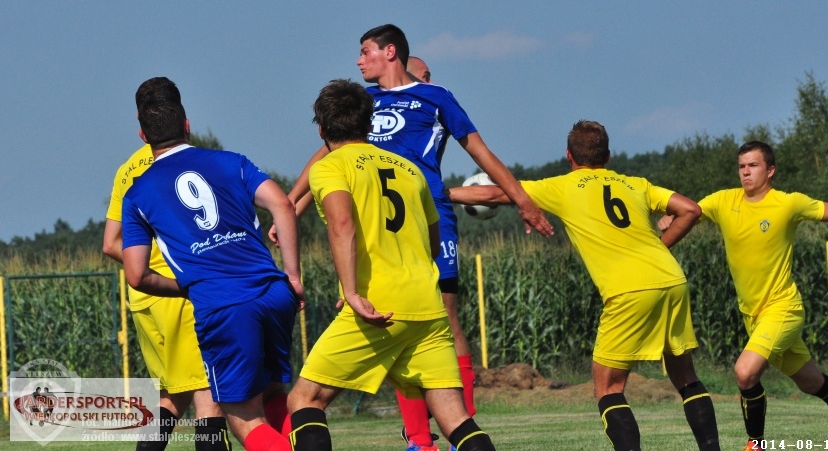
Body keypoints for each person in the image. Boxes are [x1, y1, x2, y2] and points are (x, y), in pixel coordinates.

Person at [280, 24, 553, 451]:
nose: (358, 60)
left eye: (365, 51)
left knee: (445, 314)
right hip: (388, 217)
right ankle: (421, 439)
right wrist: (290, 205)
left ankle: (445, 425)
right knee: (422, 330)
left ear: (390, 52)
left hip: (424, 212)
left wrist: (522, 200)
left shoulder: (434, 97)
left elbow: (480, 150)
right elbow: (331, 150)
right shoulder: (362, 104)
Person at [448, 120, 721, 451]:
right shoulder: (636, 184)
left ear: (569, 155)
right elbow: (690, 210)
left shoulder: (563, 186)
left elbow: (493, 193)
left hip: (628, 289)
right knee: (686, 377)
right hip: (672, 279)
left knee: (608, 389)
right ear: (607, 155)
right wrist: (660, 248)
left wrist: (439, 192)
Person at [286, 79, 496, 451]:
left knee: (305, 399)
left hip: (377, 306)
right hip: (428, 307)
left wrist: (352, 291)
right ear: (369, 124)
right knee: (455, 419)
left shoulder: (329, 167)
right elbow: (432, 243)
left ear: (321, 130)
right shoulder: (410, 170)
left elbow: (342, 224)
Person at [121, 77, 304, 451]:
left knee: (243, 418)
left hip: (223, 304)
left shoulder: (137, 193)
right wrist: (293, 276)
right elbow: (283, 205)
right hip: (274, 292)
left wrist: (185, 286)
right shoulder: (232, 161)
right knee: (273, 392)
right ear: (187, 125)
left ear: (143, 135)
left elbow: (136, 274)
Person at [660, 141, 828, 451]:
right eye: (741, 166)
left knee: (745, 372)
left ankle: (756, 445)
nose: (746, 172)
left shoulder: (788, 203)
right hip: (754, 317)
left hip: (783, 309)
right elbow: (689, 213)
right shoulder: (723, 201)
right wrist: (670, 218)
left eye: (753, 165)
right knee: (812, 383)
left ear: (770, 170)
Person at [104, 138, 231, 451]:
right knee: (210, 396)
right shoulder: (184, 163)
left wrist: (145, 270)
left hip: (143, 298)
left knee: (173, 396)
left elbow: (110, 244)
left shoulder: (127, 170)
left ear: (142, 132)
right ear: (184, 126)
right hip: (180, 295)